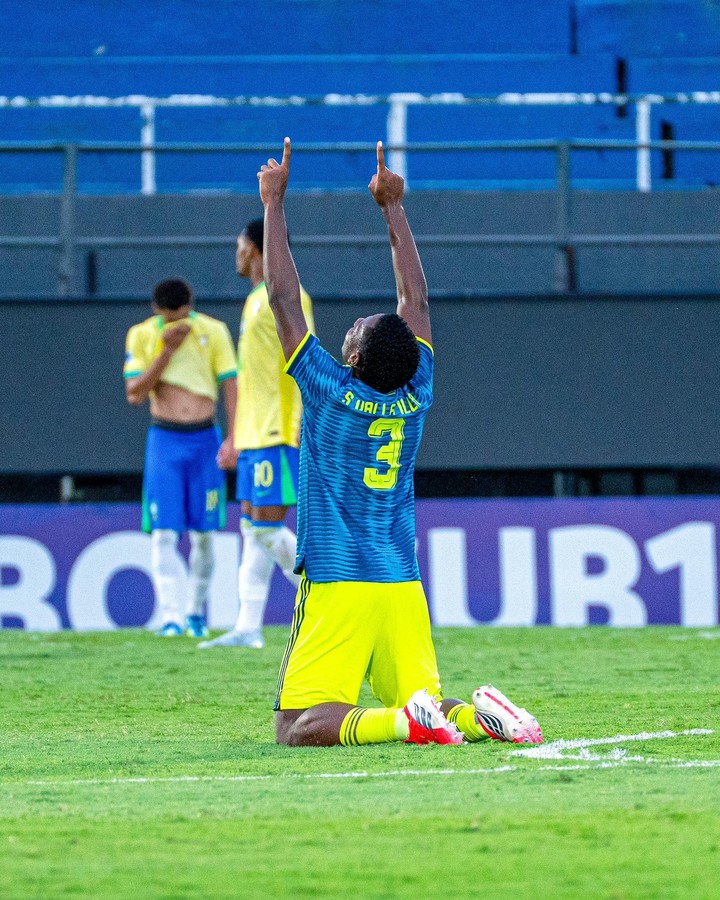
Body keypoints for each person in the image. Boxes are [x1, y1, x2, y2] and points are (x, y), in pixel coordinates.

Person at [258, 137, 544, 748]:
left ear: (354, 356)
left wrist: (274, 204)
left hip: (337, 579)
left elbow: (282, 297)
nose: (353, 324)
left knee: (295, 725)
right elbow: (415, 300)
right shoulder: (417, 392)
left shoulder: (328, 390)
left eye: (355, 329)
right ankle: (476, 717)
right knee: (429, 698)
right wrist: (393, 208)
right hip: (400, 579)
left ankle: (403, 725)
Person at [199, 219, 314, 649]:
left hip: (276, 429)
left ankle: (322, 591)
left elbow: (305, 361)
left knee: (266, 529)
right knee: (251, 529)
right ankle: (248, 626)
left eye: (240, 244)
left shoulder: (287, 297)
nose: (237, 252)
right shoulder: (252, 301)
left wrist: (303, 423)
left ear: (255, 248)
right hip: (252, 433)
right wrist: (235, 437)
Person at [124, 277, 237, 638]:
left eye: (183, 315)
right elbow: (135, 393)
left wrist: (235, 437)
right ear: (157, 312)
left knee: (204, 533)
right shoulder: (141, 335)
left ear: (192, 305)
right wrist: (167, 351)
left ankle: (195, 613)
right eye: (171, 317)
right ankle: (170, 616)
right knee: (163, 533)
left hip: (205, 438)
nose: (178, 322)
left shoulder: (213, 331)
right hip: (165, 440)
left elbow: (231, 383)